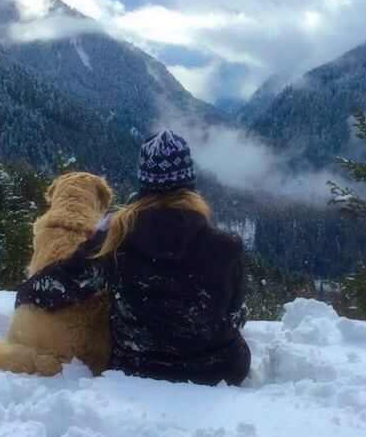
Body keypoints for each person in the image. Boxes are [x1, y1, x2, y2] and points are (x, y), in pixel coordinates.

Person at [15, 130, 251, 386]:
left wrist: (25, 295)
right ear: (188, 183)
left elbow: (63, 282)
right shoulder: (227, 247)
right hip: (216, 372)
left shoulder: (115, 240)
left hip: (137, 369)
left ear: (145, 183)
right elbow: (235, 315)